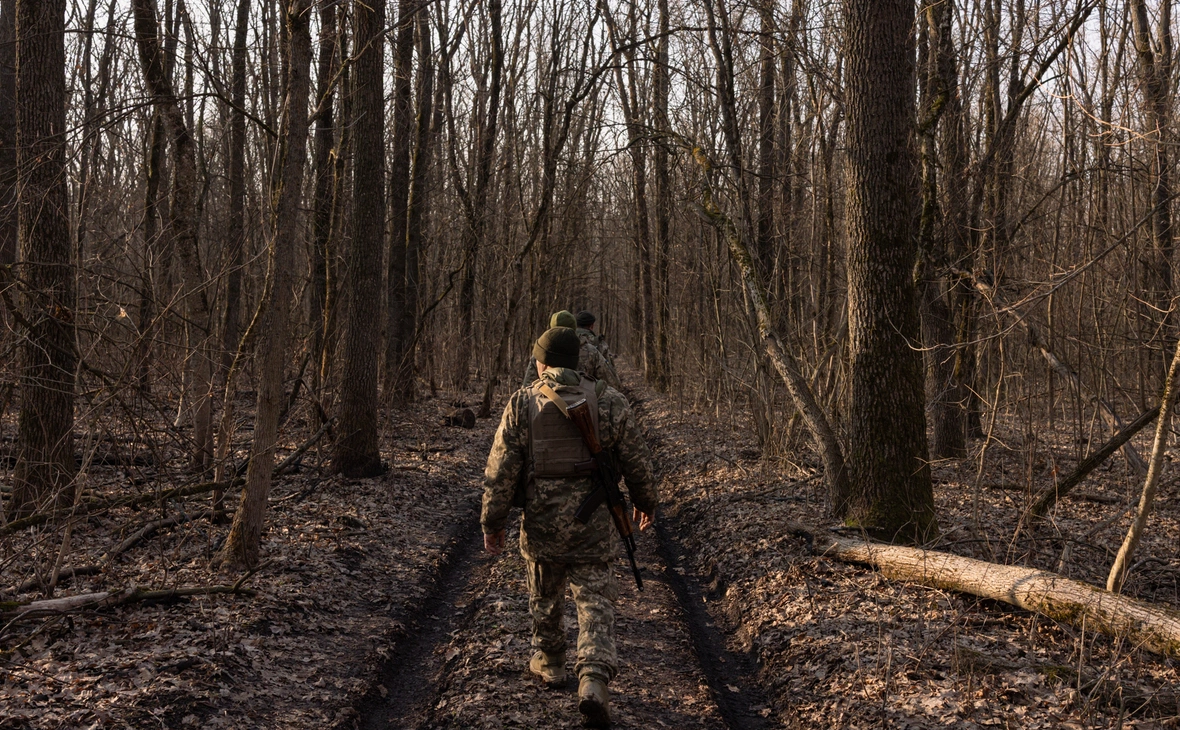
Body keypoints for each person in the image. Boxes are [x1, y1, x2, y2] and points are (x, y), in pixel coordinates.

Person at [483, 326, 658, 728]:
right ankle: (594, 678)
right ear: (578, 362)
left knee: (545, 595)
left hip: (542, 525)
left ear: (542, 361)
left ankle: (551, 662)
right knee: (594, 599)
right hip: (593, 526)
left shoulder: (522, 403)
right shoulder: (610, 401)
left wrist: (493, 523)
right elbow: (637, 462)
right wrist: (645, 503)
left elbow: (500, 473)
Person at [522, 311, 621, 390]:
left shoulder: (541, 351)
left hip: (545, 406)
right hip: (583, 407)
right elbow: (613, 384)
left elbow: (527, 386)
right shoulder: (590, 351)